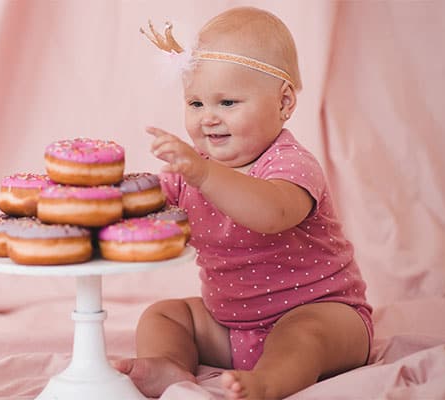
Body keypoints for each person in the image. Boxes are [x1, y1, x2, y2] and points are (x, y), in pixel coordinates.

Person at [115, 7, 373, 399]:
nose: (208, 119)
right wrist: (111, 197)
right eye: (196, 104)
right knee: (165, 315)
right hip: (230, 326)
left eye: (228, 103)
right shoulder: (193, 169)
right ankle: (170, 366)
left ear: (284, 103)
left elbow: (271, 214)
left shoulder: (290, 163)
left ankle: (269, 383)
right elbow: (149, 207)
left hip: (324, 314)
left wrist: (203, 176)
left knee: (303, 336)